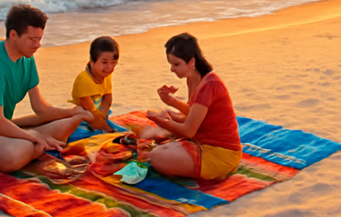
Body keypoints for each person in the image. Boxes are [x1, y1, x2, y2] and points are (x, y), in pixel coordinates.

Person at [0, 4, 91, 172]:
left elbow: (41, 109)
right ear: (13, 35)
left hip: (2, 130)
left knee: (66, 124)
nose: (38, 45)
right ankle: (37, 146)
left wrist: (72, 112)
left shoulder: (27, 59)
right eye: (33, 39)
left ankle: (37, 145)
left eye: (40, 39)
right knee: (17, 151)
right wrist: (34, 136)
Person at [139, 33, 242, 181]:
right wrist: (170, 102)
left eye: (176, 64)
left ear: (192, 61)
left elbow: (188, 130)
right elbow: (193, 113)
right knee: (155, 139)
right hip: (203, 141)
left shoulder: (210, 85)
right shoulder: (193, 79)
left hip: (221, 153)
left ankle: (217, 170)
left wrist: (162, 121)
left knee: (156, 157)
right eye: (171, 64)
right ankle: (208, 168)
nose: (172, 69)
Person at [70, 36, 125, 133]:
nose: (109, 67)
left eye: (113, 63)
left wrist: (104, 113)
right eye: (104, 62)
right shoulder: (84, 80)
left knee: (122, 131)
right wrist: (106, 127)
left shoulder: (106, 76)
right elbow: (90, 109)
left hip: (100, 115)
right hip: (85, 116)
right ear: (92, 62)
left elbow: (108, 98)